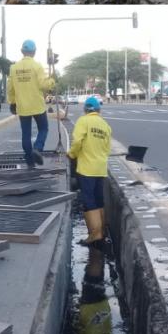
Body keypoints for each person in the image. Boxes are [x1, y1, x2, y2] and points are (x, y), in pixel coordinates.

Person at [69, 96, 111, 250]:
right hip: (100, 169)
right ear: (98, 110)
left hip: (87, 169)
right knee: (99, 198)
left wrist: (72, 154)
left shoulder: (83, 121)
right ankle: (101, 231)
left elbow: (77, 142)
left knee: (88, 199)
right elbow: (107, 149)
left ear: (85, 109)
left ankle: (95, 234)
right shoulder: (105, 125)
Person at [8, 39, 56, 167]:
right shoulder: (37, 66)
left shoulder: (13, 68)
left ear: (22, 51)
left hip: (23, 106)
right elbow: (43, 85)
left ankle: (30, 161)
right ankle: (38, 148)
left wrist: (12, 102)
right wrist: (52, 81)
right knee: (43, 128)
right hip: (37, 105)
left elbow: (10, 88)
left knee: (26, 134)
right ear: (34, 52)